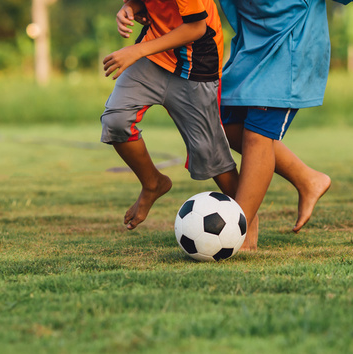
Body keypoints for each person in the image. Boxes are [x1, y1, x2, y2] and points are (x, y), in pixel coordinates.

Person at [219, 0, 353, 249]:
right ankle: (307, 179)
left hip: (291, 47)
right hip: (251, 49)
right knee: (223, 124)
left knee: (258, 135)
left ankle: (240, 236)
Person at [100, 0, 253, 239]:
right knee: (116, 121)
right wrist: (130, 8)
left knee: (210, 155)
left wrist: (136, 50)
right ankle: (153, 183)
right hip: (153, 58)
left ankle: (247, 225)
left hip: (197, 64)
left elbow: (196, 28)